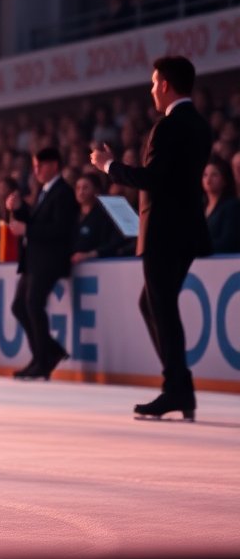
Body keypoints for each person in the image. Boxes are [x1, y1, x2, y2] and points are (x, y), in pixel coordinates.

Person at [91, 56, 214, 420]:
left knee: (162, 308)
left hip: (164, 232)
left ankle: (177, 388)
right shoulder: (200, 126)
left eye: (152, 83)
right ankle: (179, 386)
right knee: (154, 305)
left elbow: (152, 179)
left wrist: (108, 166)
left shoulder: (168, 126)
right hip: (186, 231)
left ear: (164, 85)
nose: (150, 90)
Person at [6, 147, 78, 381]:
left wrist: (27, 228)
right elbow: (40, 220)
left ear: (54, 165)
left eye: (40, 165)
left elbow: (59, 229)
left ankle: (42, 360)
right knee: (20, 306)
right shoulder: (45, 191)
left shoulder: (63, 192)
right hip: (34, 260)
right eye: (35, 166)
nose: (35, 170)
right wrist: (21, 210)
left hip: (48, 260)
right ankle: (47, 354)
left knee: (33, 306)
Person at [70, 174, 127, 265]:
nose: (81, 192)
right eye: (78, 188)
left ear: (96, 190)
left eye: (85, 188)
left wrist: (90, 254)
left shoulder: (105, 216)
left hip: (100, 265)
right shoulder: (71, 214)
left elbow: (113, 244)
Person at [203, 158, 240, 254]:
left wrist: (199, 247)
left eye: (214, 175)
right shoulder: (201, 206)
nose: (208, 180)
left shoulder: (232, 206)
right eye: (205, 175)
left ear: (225, 179)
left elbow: (228, 241)